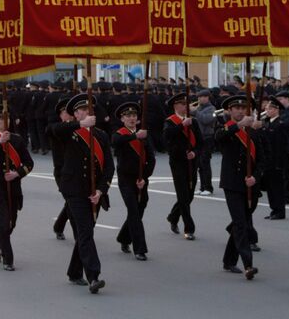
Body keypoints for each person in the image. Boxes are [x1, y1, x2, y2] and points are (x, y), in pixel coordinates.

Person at [52, 93, 114, 293]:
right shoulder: (69, 132)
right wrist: (79, 125)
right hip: (74, 191)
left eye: (87, 109)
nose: (84, 112)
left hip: (94, 192)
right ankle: (94, 276)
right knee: (86, 231)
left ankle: (74, 272)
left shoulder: (101, 136)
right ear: (75, 114)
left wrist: (101, 190)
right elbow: (51, 130)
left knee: (83, 234)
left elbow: (109, 168)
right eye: (80, 110)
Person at [0, 104, 34, 271]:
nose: (4, 121)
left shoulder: (17, 139)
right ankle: (7, 259)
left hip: (14, 187)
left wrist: (17, 174)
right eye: (0, 119)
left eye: (6, 118)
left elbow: (29, 163)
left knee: (11, 223)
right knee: (3, 223)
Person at [216, 94, 264, 280]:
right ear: (229, 111)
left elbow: (262, 158)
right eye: (236, 108)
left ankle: (228, 260)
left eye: (243, 108)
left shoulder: (254, 131)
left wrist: (256, 176)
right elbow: (220, 138)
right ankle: (248, 264)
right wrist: (240, 125)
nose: (240, 111)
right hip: (232, 183)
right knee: (242, 224)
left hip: (250, 183)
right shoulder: (226, 128)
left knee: (240, 222)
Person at [112, 102, 156, 261]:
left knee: (139, 209)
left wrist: (144, 178)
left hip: (141, 180)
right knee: (134, 211)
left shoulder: (144, 135)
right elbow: (116, 142)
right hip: (126, 180)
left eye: (134, 116)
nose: (131, 118)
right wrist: (134, 136)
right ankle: (140, 249)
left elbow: (151, 159)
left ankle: (124, 237)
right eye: (128, 116)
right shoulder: (120, 134)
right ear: (122, 119)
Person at [163, 92, 202, 240]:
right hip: (178, 162)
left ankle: (173, 216)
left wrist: (195, 153)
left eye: (186, 104)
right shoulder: (170, 122)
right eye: (182, 104)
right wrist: (181, 126)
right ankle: (189, 228)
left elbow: (201, 143)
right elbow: (166, 138)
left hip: (191, 162)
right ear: (175, 106)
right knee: (183, 195)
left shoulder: (194, 121)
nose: (185, 107)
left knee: (190, 195)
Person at [257, 96, 288, 220]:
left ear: (276, 109)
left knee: (277, 188)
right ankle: (274, 209)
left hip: (276, 161)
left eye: (269, 108)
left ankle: (280, 211)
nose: (267, 110)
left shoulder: (280, 124)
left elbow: (280, 146)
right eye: (267, 108)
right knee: (270, 187)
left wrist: (278, 162)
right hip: (268, 161)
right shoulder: (268, 123)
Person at [47, 95, 73, 240]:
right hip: (61, 172)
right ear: (60, 114)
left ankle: (59, 226)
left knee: (71, 202)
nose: (67, 115)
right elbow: (53, 130)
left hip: (75, 171)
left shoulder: (77, 127)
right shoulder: (54, 128)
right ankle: (60, 226)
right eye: (65, 112)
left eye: (70, 111)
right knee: (70, 201)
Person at [192, 89, 216, 196]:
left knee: (205, 162)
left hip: (207, 137)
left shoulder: (212, 108)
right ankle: (202, 187)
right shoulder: (199, 108)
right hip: (199, 138)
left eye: (202, 97)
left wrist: (195, 112)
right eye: (199, 97)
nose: (199, 99)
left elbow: (206, 120)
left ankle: (208, 187)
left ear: (207, 97)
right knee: (199, 164)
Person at [275, 90, 289, 204]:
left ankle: (286, 196)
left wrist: (277, 119)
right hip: (277, 145)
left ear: (287, 99)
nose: (279, 102)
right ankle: (279, 194)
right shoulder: (280, 111)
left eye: (280, 100)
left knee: (286, 172)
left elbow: (286, 124)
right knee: (278, 171)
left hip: (287, 145)